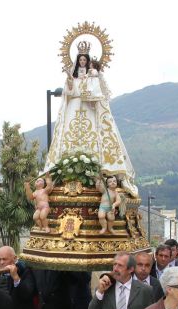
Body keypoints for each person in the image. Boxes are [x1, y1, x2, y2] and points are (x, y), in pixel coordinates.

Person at [44, 44, 138, 197]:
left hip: (90, 109)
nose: (82, 62)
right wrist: (69, 80)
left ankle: (98, 171)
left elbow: (100, 93)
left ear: (87, 61)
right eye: (80, 59)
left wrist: (93, 80)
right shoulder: (74, 78)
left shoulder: (93, 76)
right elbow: (70, 92)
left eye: (84, 60)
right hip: (74, 109)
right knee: (71, 136)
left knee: (93, 137)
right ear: (77, 61)